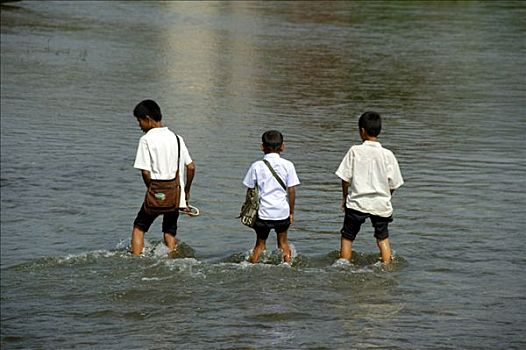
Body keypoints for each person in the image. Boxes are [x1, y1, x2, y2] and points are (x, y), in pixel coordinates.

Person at [335, 111, 403, 264]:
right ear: (379, 131)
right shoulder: (388, 155)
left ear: (362, 131)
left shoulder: (355, 151)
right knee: (382, 239)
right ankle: (388, 268)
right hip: (380, 204)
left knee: (347, 237)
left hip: (357, 202)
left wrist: (345, 196)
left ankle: (343, 265)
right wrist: (387, 195)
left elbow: (345, 178)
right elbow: (394, 183)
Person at [130, 99, 195, 256]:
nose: (139, 125)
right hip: (175, 196)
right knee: (169, 230)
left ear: (147, 119)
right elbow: (191, 167)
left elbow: (145, 172)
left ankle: (135, 259)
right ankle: (171, 259)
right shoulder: (177, 138)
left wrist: (151, 190)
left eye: (139, 121)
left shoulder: (146, 140)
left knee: (139, 227)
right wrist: (186, 191)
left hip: (156, 194)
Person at [242, 130, 300, 264]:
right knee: (283, 244)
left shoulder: (256, 166)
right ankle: (287, 266)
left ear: (262, 147)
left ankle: (253, 267)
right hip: (282, 212)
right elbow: (291, 190)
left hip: (263, 214)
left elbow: (250, 190)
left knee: (260, 245)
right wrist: (291, 212)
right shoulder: (288, 165)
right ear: (282, 147)